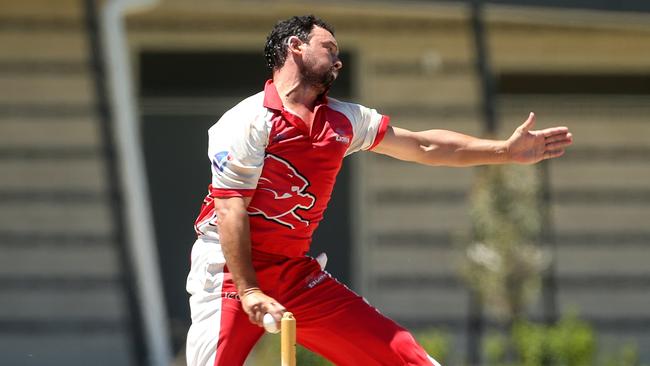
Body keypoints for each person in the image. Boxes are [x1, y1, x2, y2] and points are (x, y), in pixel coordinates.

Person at [185, 15, 573, 366]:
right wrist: (250, 289)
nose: (338, 61)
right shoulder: (247, 121)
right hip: (230, 272)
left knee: (406, 356)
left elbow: (423, 145)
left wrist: (504, 151)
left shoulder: (345, 119)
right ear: (295, 46)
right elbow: (230, 206)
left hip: (295, 272)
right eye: (329, 48)